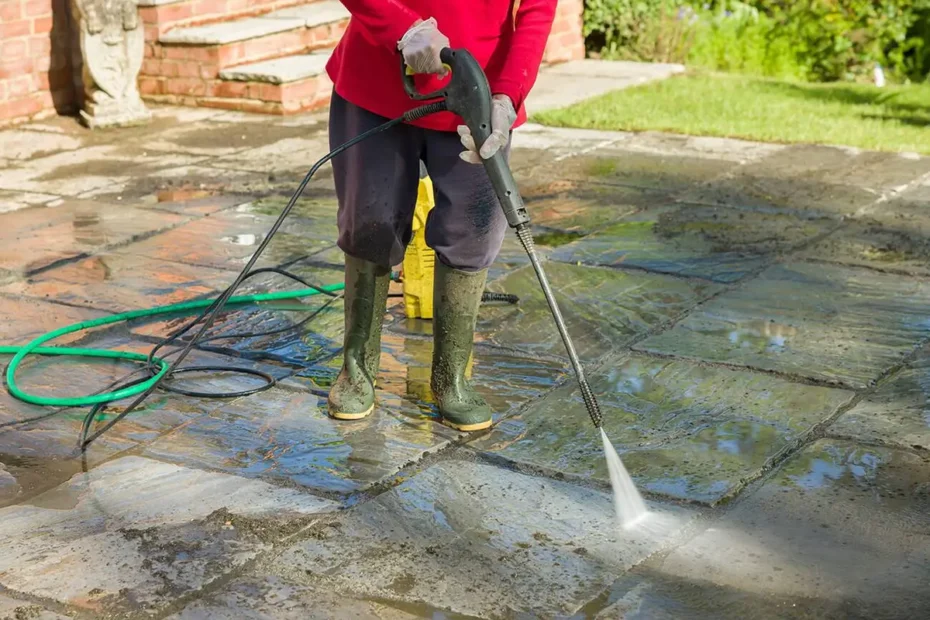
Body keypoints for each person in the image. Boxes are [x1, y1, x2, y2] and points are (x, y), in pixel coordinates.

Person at [324, 0, 557, 431]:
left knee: (474, 232)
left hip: (478, 92)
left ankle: (451, 380)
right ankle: (357, 369)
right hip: (379, 76)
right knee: (369, 224)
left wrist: (505, 96)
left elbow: (538, 9)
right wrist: (401, 27)